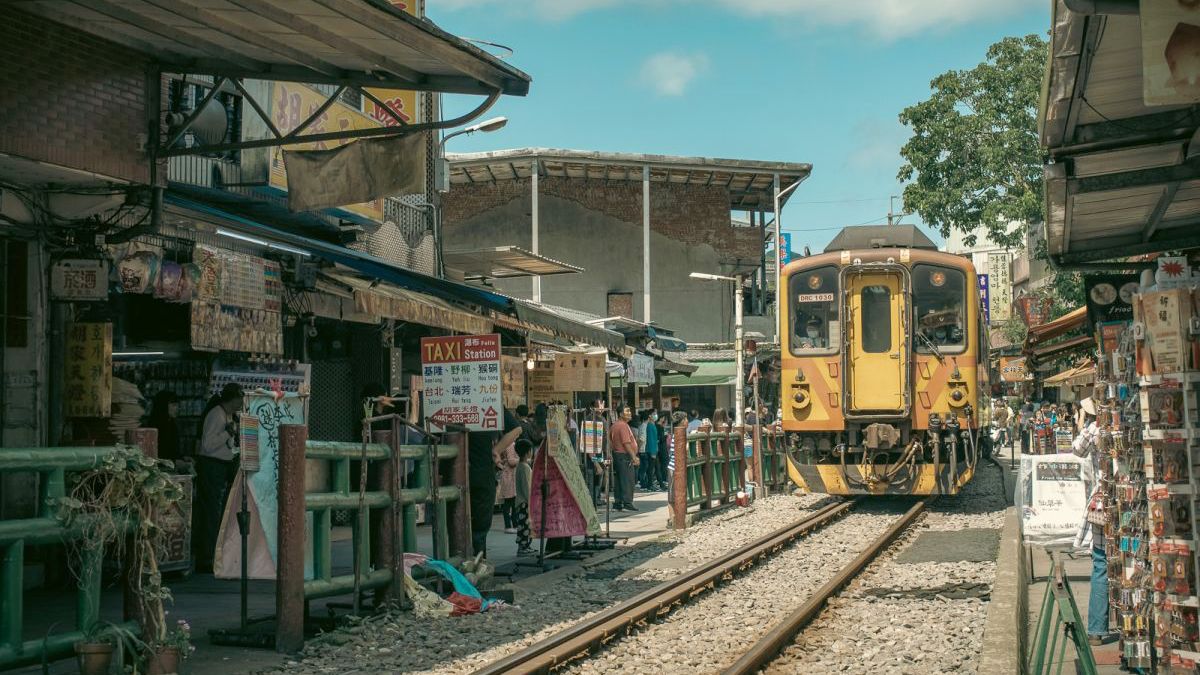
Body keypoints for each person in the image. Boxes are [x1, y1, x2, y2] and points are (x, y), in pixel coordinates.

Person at [194, 382, 243, 573]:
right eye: (239, 400)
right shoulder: (216, 414)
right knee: (210, 513)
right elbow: (207, 445)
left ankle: (214, 555)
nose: (240, 404)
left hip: (222, 466)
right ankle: (205, 557)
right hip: (211, 466)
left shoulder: (229, 415)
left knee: (217, 512)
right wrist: (226, 433)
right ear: (231, 400)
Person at [467, 407, 522, 558]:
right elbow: (517, 429)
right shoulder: (487, 398)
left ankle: (459, 570)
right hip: (481, 472)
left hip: (454, 475)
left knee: (454, 526)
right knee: (479, 530)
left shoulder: (448, 399)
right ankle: (477, 567)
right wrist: (496, 451)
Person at [610, 406, 639, 511]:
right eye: (627, 411)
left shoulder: (615, 425)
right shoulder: (622, 426)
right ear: (621, 414)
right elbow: (626, 443)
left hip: (618, 456)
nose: (630, 413)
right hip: (624, 456)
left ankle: (618, 503)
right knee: (628, 480)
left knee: (620, 480)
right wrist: (634, 456)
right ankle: (627, 502)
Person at [147, 390, 182, 463]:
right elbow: (156, 454)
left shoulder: (172, 424)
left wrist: (182, 458)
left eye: (178, 405)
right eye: (174, 405)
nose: (178, 408)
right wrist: (175, 461)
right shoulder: (154, 426)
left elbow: (173, 450)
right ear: (163, 406)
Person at [514, 439, 534, 555]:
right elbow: (527, 487)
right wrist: (531, 501)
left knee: (525, 525)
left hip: (521, 501)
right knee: (525, 526)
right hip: (524, 502)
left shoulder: (520, 466)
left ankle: (526, 546)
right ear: (528, 452)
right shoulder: (525, 467)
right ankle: (522, 547)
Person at [497, 432, 520, 534]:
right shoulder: (511, 445)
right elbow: (511, 461)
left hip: (508, 475)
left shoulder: (505, 444)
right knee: (510, 502)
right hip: (510, 476)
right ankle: (509, 525)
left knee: (510, 501)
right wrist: (522, 459)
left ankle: (513, 524)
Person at [655, 410, 671, 490]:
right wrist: (666, 436)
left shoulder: (656, 426)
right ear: (661, 418)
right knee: (664, 464)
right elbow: (661, 438)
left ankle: (662, 480)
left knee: (660, 464)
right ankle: (664, 479)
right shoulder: (660, 427)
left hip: (658, 447)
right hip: (662, 447)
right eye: (664, 418)